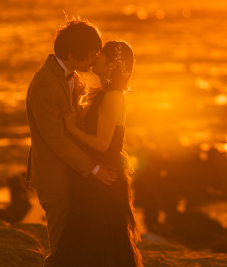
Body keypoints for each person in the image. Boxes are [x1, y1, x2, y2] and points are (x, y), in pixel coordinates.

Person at [25, 18, 117, 265]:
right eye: (90, 54)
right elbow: (54, 138)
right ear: (70, 54)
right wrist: (94, 168)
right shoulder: (45, 84)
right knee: (61, 246)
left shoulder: (70, 76)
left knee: (75, 242)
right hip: (54, 175)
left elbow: (70, 121)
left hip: (72, 172)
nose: (94, 59)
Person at [48, 40, 143, 267]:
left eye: (100, 56)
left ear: (111, 65)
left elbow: (101, 144)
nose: (94, 59)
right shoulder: (104, 93)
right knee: (88, 241)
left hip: (103, 180)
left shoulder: (113, 97)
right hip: (96, 176)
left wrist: (71, 128)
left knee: (98, 243)